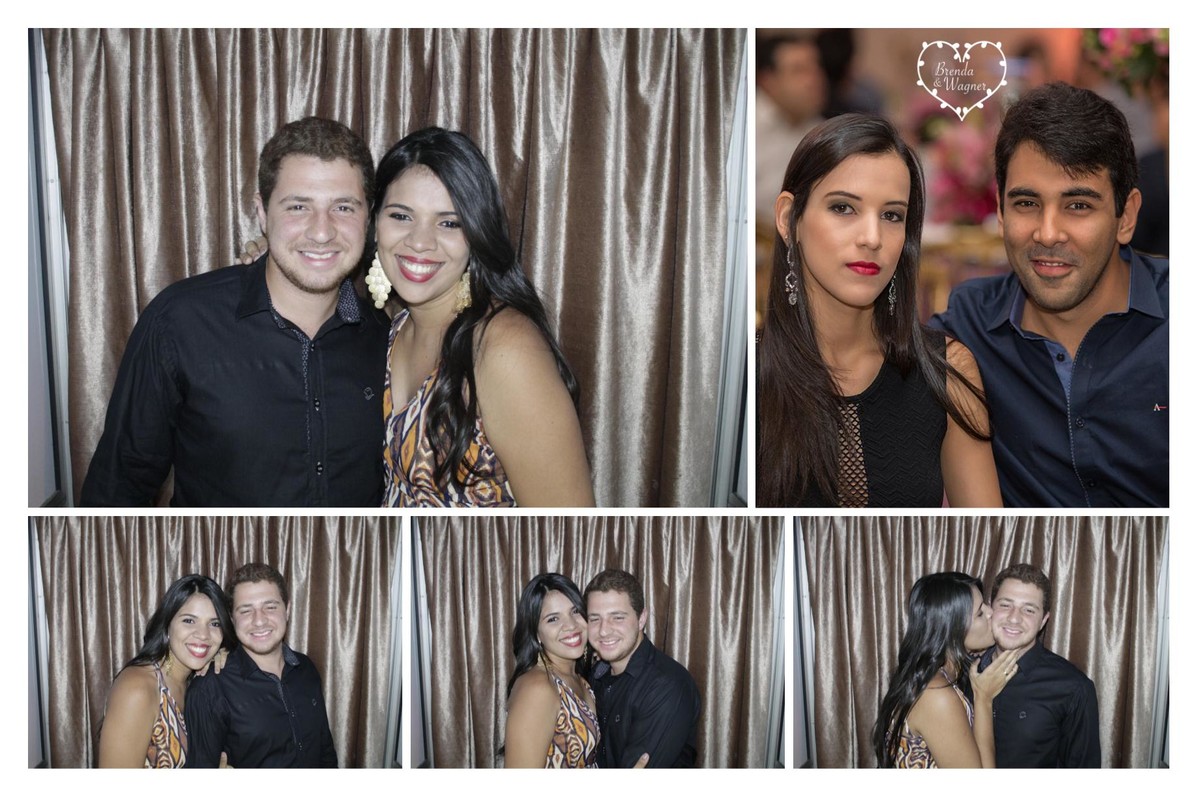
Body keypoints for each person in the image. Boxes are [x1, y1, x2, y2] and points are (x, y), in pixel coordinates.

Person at [80, 117, 389, 507]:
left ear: (368, 217)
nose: (322, 231)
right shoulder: (180, 323)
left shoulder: (387, 337)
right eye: (298, 207)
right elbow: (116, 491)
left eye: (343, 207)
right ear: (261, 212)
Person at [931, 82, 1167, 507]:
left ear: (1126, 216)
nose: (1048, 233)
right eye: (1026, 203)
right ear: (1000, 211)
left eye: (1078, 205)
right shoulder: (968, 328)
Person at [757, 114, 1001, 507]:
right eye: (843, 208)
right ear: (789, 219)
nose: (872, 238)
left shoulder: (946, 371)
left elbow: (987, 531)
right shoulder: (742, 377)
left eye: (892, 216)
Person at [369, 128, 594, 506]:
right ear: (375, 222)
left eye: (449, 222)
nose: (420, 242)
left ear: (476, 234)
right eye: (401, 216)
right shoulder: (395, 322)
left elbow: (568, 518)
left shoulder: (504, 349)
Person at [184, 562, 338, 767]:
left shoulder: (306, 668)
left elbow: (325, 749)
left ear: (287, 610)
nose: (259, 621)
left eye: (270, 607)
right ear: (232, 619)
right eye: (246, 611)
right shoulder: (209, 688)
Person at [872, 572, 1019, 768]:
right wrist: (984, 698)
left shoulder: (933, 674)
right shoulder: (937, 695)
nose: (991, 612)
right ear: (952, 628)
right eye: (980, 613)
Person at [97, 575, 233, 768]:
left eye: (215, 624)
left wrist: (226, 656)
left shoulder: (196, 679)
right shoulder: (138, 688)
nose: (203, 635)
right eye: (189, 620)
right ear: (167, 625)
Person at [977, 563, 1101, 767]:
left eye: (1028, 610)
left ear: (1043, 620)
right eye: (1005, 605)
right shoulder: (963, 671)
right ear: (991, 608)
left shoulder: (1074, 688)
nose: (1014, 618)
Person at [585, 569, 701, 767]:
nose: (603, 630)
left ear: (641, 619)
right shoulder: (597, 674)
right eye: (595, 619)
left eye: (617, 617)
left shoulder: (667, 685)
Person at [503, 574, 599, 768]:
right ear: (536, 634)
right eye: (553, 619)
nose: (571, 625)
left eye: (575, 611)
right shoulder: (537, 688)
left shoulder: (578, 679)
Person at [755, 34, 827, 226]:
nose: (814, 79)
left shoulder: (822, 131)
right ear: (768, 80)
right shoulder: (745, 127)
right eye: (799, 70)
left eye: (816, 68)